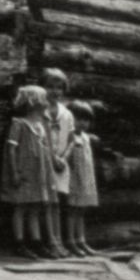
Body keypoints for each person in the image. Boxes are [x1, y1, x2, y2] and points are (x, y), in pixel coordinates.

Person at [1, 84, 53, 253]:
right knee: (20, 206)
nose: (46, 102)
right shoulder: (19, 124)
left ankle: (36, 242)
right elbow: (11, 149)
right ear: (32, 102)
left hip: (37, 174)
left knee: (35, 207)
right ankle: (19, 242)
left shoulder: (41, 125)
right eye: (42, 99)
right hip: (23, 172)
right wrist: (14, 172)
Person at [40, 67, 79, 256]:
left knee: (58, 203)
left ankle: (58, 240)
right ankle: (50, 241)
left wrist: (63, 158)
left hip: (61, 165)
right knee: (47, 202)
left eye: (59, 88)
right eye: (50, 87)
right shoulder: (39, 111)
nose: (54, 91)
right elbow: (39, 139)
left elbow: (71, 140)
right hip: (43, 162)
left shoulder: (67, 114)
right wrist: (52, 157)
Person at [63, 100, 102, 255]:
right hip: (73, 179)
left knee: (81, 211)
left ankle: (81, 240)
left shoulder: (86, 138)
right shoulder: (69, 136)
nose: (83, 123)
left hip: (86, 179)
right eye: (79, 119)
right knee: (72, 210)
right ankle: (70, 241)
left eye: (86, 120)